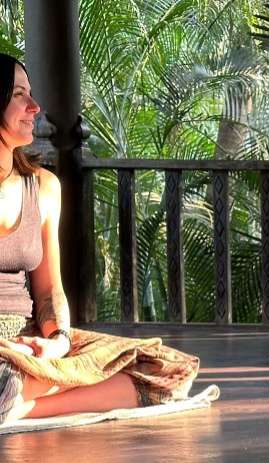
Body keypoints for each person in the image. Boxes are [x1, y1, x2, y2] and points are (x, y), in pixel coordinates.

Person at [0, 55, 200, 425]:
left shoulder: (43, 187)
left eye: (31, 94)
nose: (34, 106)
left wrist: (58, 341)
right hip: (4, 356)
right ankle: (17, 398)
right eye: (18, 95)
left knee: (169, 369)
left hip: (31, 344)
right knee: (4, 379)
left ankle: (18, 405)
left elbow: (48, 291)